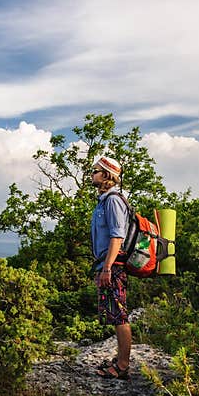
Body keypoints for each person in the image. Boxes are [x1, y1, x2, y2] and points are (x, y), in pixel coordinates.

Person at [89, 155, 131, 380]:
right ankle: (120, 360)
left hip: (112, 266)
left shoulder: (113, 201)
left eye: (96, 171)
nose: (92, 174)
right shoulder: (104, 201)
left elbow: (117, 236)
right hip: (107, 264)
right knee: (115, 314)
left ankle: (123, 366)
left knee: (119, 315)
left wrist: (107, 268)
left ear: (106, 175)